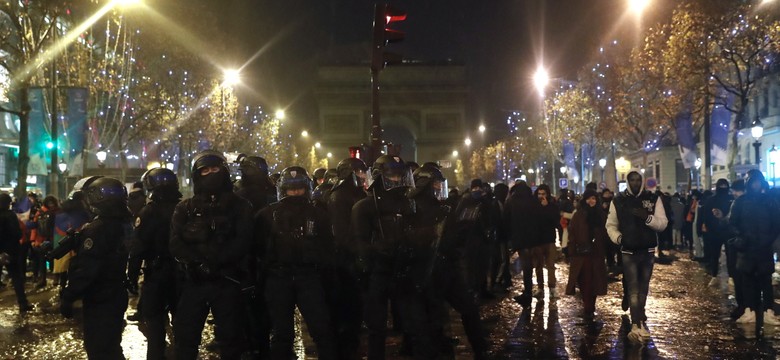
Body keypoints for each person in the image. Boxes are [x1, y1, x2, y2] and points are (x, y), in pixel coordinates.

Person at [170, 150, 253, 359]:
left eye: (215, 169)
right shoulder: (185, 208)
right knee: (185, 338)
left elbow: (243, 240)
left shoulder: (241, 206)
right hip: (194, 282)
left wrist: (217, 263)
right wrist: (197, 264)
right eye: (205, 170)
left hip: (228, 281)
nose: (210, 174)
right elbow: (175, 242)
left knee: (231, 340)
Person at [352, 154, 437, 359]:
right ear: (380, 176)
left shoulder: (410, 203)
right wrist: (377, 250)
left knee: (417, 325)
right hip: (378, 272)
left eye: (400, 176)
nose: (397, 181)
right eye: (392, 176)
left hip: (405, 271)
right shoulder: (364, 206)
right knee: (376, 328)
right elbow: (359, 244)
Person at [256, 166, 337, 359]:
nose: (295, 193)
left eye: (299, 189)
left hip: (308, 276)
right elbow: (258, 248)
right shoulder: (267, 215)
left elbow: (328, 246)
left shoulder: (318, 214)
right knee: (282, 333)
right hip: (278, 277)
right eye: (291, 189)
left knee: (321, 329)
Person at [409, 165, 488, 359]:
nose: (438, 187)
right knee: (434, 318)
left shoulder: (444, 208)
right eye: (435, 183)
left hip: (447, 268)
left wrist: (463, 228)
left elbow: (451, 240)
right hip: (426, 270)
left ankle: (480, 349)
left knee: (469, 308)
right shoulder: (411, 208)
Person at [60, 177, 133, 359]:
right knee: (112, 347)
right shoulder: (123, 223)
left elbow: (87, 269)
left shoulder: (97, 229)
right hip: (116, 293)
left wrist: (69, 296)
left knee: (99, 349)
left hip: (100, 297)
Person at [606, 170, 668, 342]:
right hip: (628, 250)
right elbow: (611, 225)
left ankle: (639, 319)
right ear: (627, 181)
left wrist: (647, 218)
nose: (635, 183)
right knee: (633, 289)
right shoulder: (618, 200)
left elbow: (662, 224)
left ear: (641, 181)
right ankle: (636, 323)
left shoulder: (653, 198)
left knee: (643, 288)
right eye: (632, 180)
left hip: (647, 250)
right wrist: (619, 238)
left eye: (638, 180)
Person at [132, 168, 182, 359]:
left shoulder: (148, 212)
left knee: (154, 323)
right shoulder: (184, 208)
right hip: (181, 273)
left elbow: (138, 247)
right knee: (181, 321)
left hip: (156, 274)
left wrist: (132, 275)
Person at [326, 157, 368, 360]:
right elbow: (342, 233)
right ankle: (345, 348)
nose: (362, 176)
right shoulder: (340, 196)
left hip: (353, 258)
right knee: (347, 306)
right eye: (359, 172)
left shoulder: (356, 193)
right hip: (345, 261)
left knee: (355, 306)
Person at [729, 171, 780, 334]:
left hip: (761, 247)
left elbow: (776, 224)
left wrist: (768, 239)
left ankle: (766, 311)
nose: (756, 186)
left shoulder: (769, 202)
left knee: (764, 281)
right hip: (749, 247)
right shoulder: (742, 203)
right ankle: (751, 310)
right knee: (749, 281)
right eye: (754, 183)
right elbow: (733, 223)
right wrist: (742, 237)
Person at [564, 190, 608, 320]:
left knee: (595, 281)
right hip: (581, 254)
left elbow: (606, 232)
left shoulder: (601, 215)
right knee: (585, 281)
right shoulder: (579, 214)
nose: (591, 201)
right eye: (588, 198)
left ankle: (590, 306)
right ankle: (588, 306)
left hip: (596, 254)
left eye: (593, 198)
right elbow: (572, 232)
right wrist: (571, 250)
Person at [505, 181, 539, 306]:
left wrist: (508, 238)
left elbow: (506, 219)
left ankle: (527, 294)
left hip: (519, 238)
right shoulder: (533, 201)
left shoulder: (512, 201)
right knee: (529, 267)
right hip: (533, 238)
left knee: (526, 267)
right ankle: (529, 292)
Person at [0, 193, 33, 314]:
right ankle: (23, 304)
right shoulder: (10, 216)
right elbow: (17, 233)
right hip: (11, 251)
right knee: (16, 278)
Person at [699, 179, 733, 287]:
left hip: (723, 232)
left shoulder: (727, 199)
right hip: (717, 232)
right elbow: (706, 216)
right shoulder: (727, 199)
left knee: (727, 255)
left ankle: (726, 276)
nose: (723, 188)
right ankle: (716, 276)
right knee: (716, 255)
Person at [530, 184, 561, 299]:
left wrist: (546, 207)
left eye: (543, 194)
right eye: (539, 194)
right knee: (538, 265)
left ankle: (552, 287)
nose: (541, 196)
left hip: (549, 240)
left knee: (550, 265)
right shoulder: (533, 206)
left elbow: (555, 221)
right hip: (537, 241)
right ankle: (540, 288)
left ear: (547, 194)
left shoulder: (552, 206)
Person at [29, 195, 60, 289]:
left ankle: (52, 278)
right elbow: (35, 227)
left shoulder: (43, 212)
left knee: (54, 259)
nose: (51, 205)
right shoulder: (42, 212)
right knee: (43, 260)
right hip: (45, 239)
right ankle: (44, 279)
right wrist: (33, 240)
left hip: (51, 239)